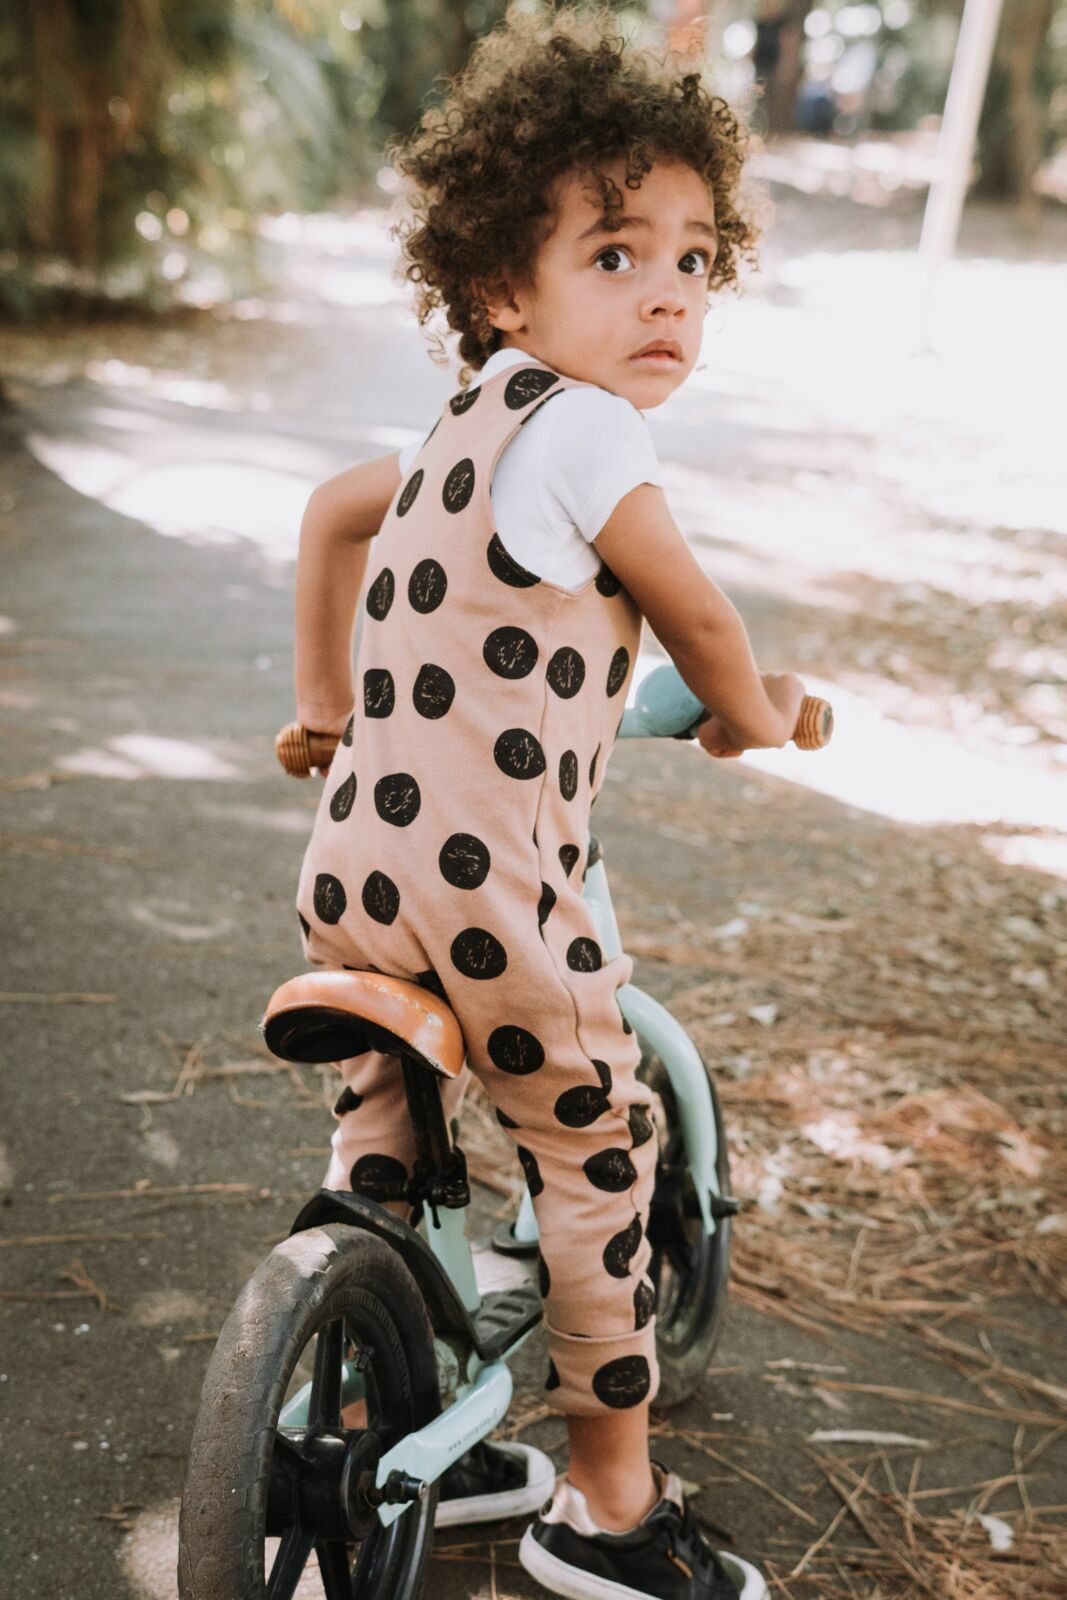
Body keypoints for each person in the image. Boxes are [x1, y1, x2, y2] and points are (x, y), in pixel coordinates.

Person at [290, 6, 802, 1597]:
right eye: (614, 253)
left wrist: (322, 709)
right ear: (504, 289)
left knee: (384, 1129)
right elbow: (701, 617)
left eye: (695, 261)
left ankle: (356, 1406)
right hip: (488, 891)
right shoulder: (591, 430)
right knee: (593, 1163)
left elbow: (325, 521)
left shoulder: (454, 428)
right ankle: (608, 1505)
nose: (664, 291)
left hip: (354, 868)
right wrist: (752, 711)